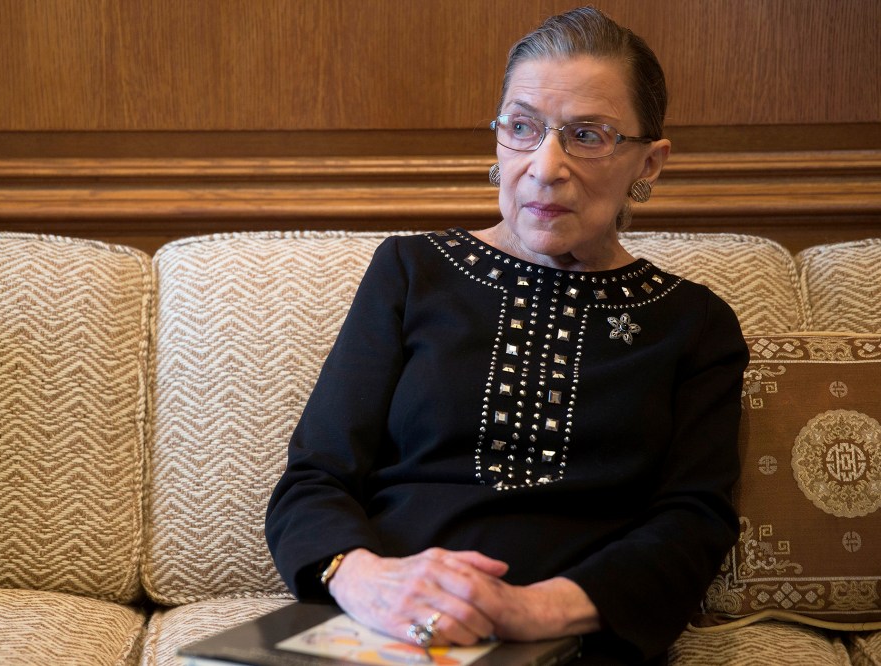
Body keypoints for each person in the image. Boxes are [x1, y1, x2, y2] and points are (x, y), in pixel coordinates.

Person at [265, 7, 748, 664]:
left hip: (568, 641)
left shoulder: (694, 323)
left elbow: (694, 523)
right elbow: (314, 477)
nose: (545, 168)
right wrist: (367, 580)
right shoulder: (411, 271)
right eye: (522, 128)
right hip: (385, 631)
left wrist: (534, 609)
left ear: (650, 162)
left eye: (588, 135)